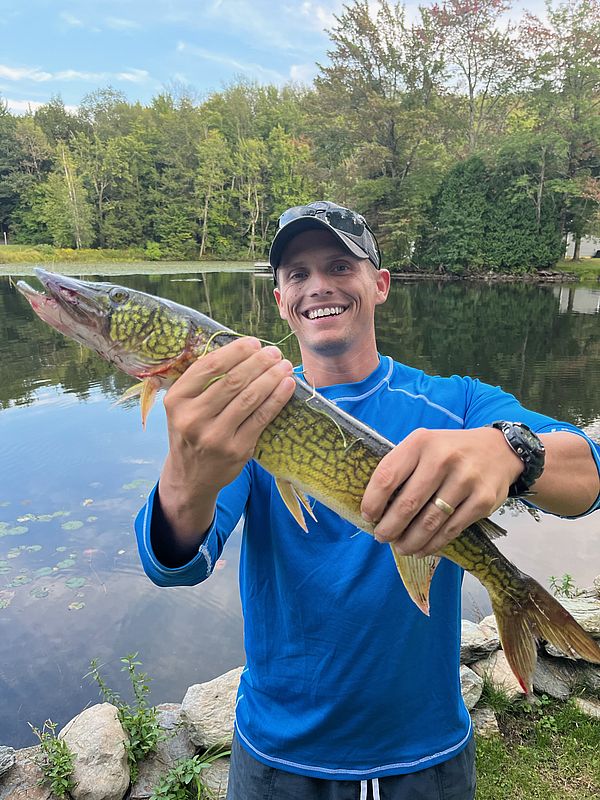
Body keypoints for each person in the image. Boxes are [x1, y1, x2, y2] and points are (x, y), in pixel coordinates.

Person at [135, 201, 600, 800]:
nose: (318, 286)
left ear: (378, 285)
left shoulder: (456, 405)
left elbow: (589, 470)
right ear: (279, 300)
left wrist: (513, 450)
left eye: (338, 266)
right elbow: (176, 563)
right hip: (279, 759)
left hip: (425, 754)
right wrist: (185, 474)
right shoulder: (243, 417)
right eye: (297, 274)